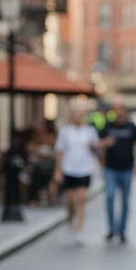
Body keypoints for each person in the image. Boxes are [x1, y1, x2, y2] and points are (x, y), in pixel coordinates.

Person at [99, 96, 136, 243]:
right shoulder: (108, 126)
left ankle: (122, 230)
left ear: (124, 110)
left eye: (120, 108)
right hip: (110, 168)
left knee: (125, 201)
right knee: (110, 196)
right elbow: (98, 144)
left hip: (127, 169)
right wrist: (105, 143)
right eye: (115, 109)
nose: (118, 111)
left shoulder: (131, 126)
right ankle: (112, 229)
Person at [54, 104, 99, 243]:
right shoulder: (65, 131)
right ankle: (70, 217)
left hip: (84, 169)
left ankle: (79, 229)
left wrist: (95, 146)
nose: (77, 117)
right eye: (75, 115)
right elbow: (60, 152)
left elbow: (97, 148)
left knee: (81, 199)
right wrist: (58, 170)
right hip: (69, 169)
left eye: (80, 115)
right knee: (70, 201)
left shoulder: (90, 131)